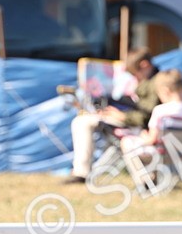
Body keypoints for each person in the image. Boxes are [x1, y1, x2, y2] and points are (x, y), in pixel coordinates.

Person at [68, 47, 160, 182]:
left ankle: (81, 173)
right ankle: (80, 172)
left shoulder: (156, 82)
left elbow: (148, 114)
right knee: (82, 121)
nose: (134, 78)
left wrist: (123, 116)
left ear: (144, 65)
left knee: (81, 122)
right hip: (125, 117)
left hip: (136, 124)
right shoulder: (146, 81)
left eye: (135, 74)